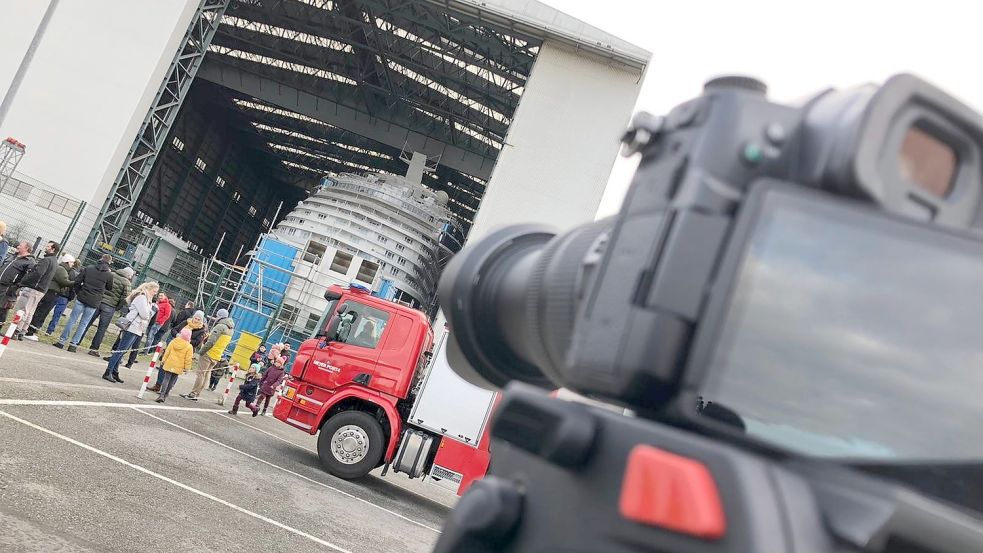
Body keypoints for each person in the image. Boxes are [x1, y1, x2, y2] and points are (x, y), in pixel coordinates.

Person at [102, 281, 158, 383]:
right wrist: (149, 311)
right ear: (149, 289)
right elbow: (145, 315)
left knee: (123, 351)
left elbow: (147, 314)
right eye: (154, 291)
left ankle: (115, 371)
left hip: (138, 328)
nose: (155, 294)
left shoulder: (147, 300)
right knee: (120, 350)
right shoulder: (142, 298)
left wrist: (148, 310)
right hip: (131, 327)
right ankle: (108, 371)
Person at [56, 254, 113, 352]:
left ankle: (62, 341)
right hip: (94, 300)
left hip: (82, 297)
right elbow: (109, 287)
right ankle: (73, 344)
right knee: (84, 323)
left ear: (100, 259)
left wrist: (79, 292)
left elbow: (77, 281)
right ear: (109, 262)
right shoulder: (109, 275)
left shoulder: (89, 268)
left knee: (72, 319)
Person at [148, 310, 206, 393]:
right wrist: (177, 335)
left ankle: (166, 390)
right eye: (195, 318)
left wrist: (186, 339)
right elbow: (174, 330)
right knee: (163, 366)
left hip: (185, 351)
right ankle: (158, 385)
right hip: (174, 347)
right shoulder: (186, 322)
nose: (196, 320)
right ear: (193, 317)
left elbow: (197, 342)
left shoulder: (201, 330)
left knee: (175, 372)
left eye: (198, 319)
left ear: (201, 320)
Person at [181, 308, 233, 401]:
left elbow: (211, 342)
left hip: (209, 353)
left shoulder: (220, 326)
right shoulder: (231, 329)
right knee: (206, 374)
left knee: (200, 374)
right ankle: (197, 393)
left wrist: (202, 351)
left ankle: (193, 394)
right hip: (217, 355)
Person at [13, 241, 58, 340]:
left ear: (53, 249)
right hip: (41, 289)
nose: (46, 247)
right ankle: (23, 330)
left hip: (34, 287)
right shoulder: (55, 261)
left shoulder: (46, 260)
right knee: (30, 310)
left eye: (48, 246)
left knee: (24, 309)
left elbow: (38, 273)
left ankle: (16, 330)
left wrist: (25, 280)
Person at [25, 253, 75, 340]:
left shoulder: (61, 268)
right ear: (67, 262)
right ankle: (30, 331)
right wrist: (75, 283)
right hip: (52, 293)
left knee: (41, 311)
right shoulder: (61, 269)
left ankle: (31, 329)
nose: (72, 265)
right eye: (71, 263)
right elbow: (64, 281)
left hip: (51, 292)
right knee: (42, 312)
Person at [86, 265, 133, 357]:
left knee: (87, 323)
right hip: (110, 306)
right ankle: (94, 349)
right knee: (102, 328)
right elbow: (125, 298)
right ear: (129, 275)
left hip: (98, 301)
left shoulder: (110, 274)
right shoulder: (126, 282)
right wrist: (117, 307)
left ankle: (75, 343)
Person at [156, 327, 195, 403]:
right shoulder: (189, 347)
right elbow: (188, 359)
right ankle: (166, 394)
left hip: (169, 363)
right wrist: (187, 368)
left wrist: (163, 360)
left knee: (166, 379)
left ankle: (161, 395)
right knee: (172, 381)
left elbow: (167, 351)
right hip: (179, 366)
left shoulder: (173, 341)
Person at [0, 241, 36, 323]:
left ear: (26, 248)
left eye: (20, 245)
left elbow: (29, 277)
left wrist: (17, 285)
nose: (18, 246)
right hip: (1, 284)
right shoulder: (14, 256)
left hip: (9, 288)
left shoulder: (30, 261)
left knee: (2, 309)